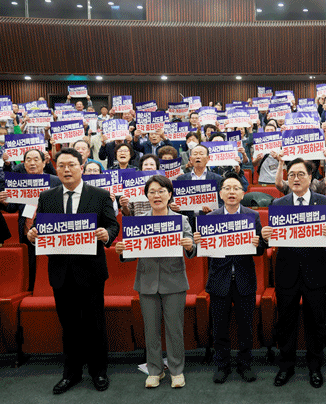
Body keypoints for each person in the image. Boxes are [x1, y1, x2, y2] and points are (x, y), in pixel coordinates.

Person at [26, 147, 119, 395]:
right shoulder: (47, 197)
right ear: (56, 168)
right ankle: (71, 374)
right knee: (68, 326)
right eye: (62, 165)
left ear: (82, 166)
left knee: (94, 324)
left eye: (71, 165)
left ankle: (99, 372)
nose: (66, 169)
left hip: (91, 271)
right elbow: (38, 229)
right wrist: (33, 235)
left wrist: (106, 234)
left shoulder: (99, 195)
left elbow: (113, 225)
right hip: (61, 272)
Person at [261, 158, 326, 389]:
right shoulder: (278, 204)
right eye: (291, 174)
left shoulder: (324, 202)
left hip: (316, 270)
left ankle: (315, 367)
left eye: (301, 174)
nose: (295, 178)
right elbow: (269, 241)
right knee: (286, 321)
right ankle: (286, 366)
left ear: (310, 178)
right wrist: (266, 236)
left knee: (316, 321)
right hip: (286, 271)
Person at [115, 175, 195, 389]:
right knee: (151, 330)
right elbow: (131, 254)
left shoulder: (181, 220)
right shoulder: (138, 221)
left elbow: (192, 251)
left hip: (174, 280)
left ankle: (177, 371)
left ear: (170, 194)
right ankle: (155, 371)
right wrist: (122, 251)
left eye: (161, 191)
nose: (157, 195)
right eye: (152, 191)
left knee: (174, 329)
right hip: (147, 281)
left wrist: (189, 246)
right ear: (146, 195)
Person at [194, 172, 265, 384]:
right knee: (220, 327)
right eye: (227, 188)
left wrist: (257, 243)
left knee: (245, 326)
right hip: (219, 280)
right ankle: (222, 365)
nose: (232, 192)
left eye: (236, 188)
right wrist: (199, 241)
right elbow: (204, 252)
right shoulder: (210, 219)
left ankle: (245, 364)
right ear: (221, 194)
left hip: (244, 279)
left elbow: (261, 249)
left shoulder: (252, 216)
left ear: (243, 194)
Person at [0, 149, 62, 290]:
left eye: (36, 159)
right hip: (27, 235)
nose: (32, 163)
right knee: (31, 270)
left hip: (51, 234)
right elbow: (11, 208)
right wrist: (4, 201)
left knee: (54, 272)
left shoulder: (56, 182)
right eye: (28, 159)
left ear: (44, 162)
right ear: (24, 163)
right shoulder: (18, 184)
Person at [175, 144, 223, 231]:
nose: (198, 156)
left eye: (201, 154)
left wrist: (213, 210)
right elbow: (177, 203)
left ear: (208, 158)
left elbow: (222, 203)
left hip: (210, 222)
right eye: (195, 154)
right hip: (187, 223)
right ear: (190, 159)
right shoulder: (181, 179)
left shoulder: (218, 179)